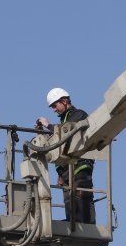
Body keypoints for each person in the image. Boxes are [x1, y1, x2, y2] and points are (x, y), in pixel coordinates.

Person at [35, 87, 96, 224]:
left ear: (64, 101)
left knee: (80, 193)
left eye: (55, 105)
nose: (54, 109)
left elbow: (66, 135)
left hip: (79, 165)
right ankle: (72, 221)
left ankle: (84, 223)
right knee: (69, 197)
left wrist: (48, 125)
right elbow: (58, 146)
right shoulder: (64, 121)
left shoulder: (79, 115)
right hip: (67, 170)